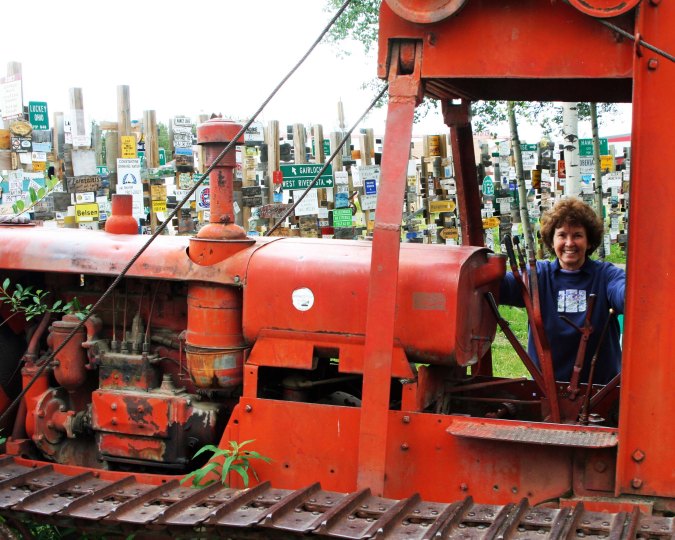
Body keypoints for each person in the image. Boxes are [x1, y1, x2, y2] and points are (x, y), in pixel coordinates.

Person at [499, 198, 625, 385]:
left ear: (589, 241)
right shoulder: (537, 276)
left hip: (600, 394)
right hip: (546, 393)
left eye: (577, 235)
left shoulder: (607, 276)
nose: (569, 243)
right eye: (562, 235)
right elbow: (498, 286)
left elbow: (625, 294)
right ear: (551, 240)